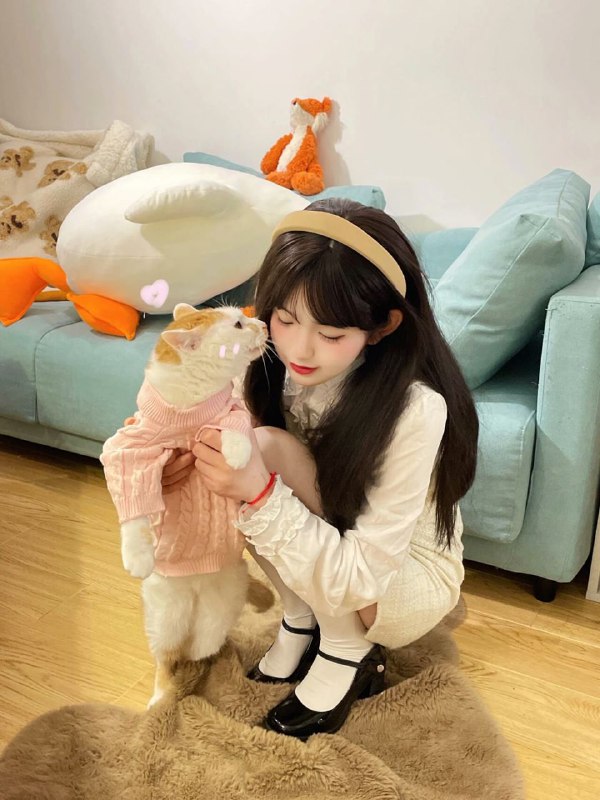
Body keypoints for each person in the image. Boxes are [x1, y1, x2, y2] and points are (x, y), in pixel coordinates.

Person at [162, 198, 479, 740]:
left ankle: (346, 648)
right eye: (285, 320)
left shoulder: (415, 407)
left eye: (332, 335)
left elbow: (364, 575)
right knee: (238, 450)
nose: (301, 349)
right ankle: (301, 618)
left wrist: (259, 492)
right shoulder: (263, 360)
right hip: (333, 550)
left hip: (395, 577)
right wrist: (178, 457)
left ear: (381, 327)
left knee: (261, 452)